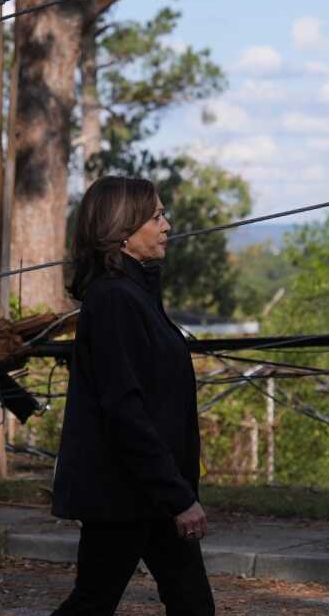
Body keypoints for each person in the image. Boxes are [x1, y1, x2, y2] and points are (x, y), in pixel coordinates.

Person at [51, 176, 214, 616]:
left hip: (152, 492)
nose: (167, 225)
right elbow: (124, 409)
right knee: (93, 602)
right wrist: (177, 496)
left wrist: (174, 491)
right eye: (156, 216)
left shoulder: (137, 295)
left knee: (192, 605)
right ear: (123, 230)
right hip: (123, 494)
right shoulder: (113, 300)